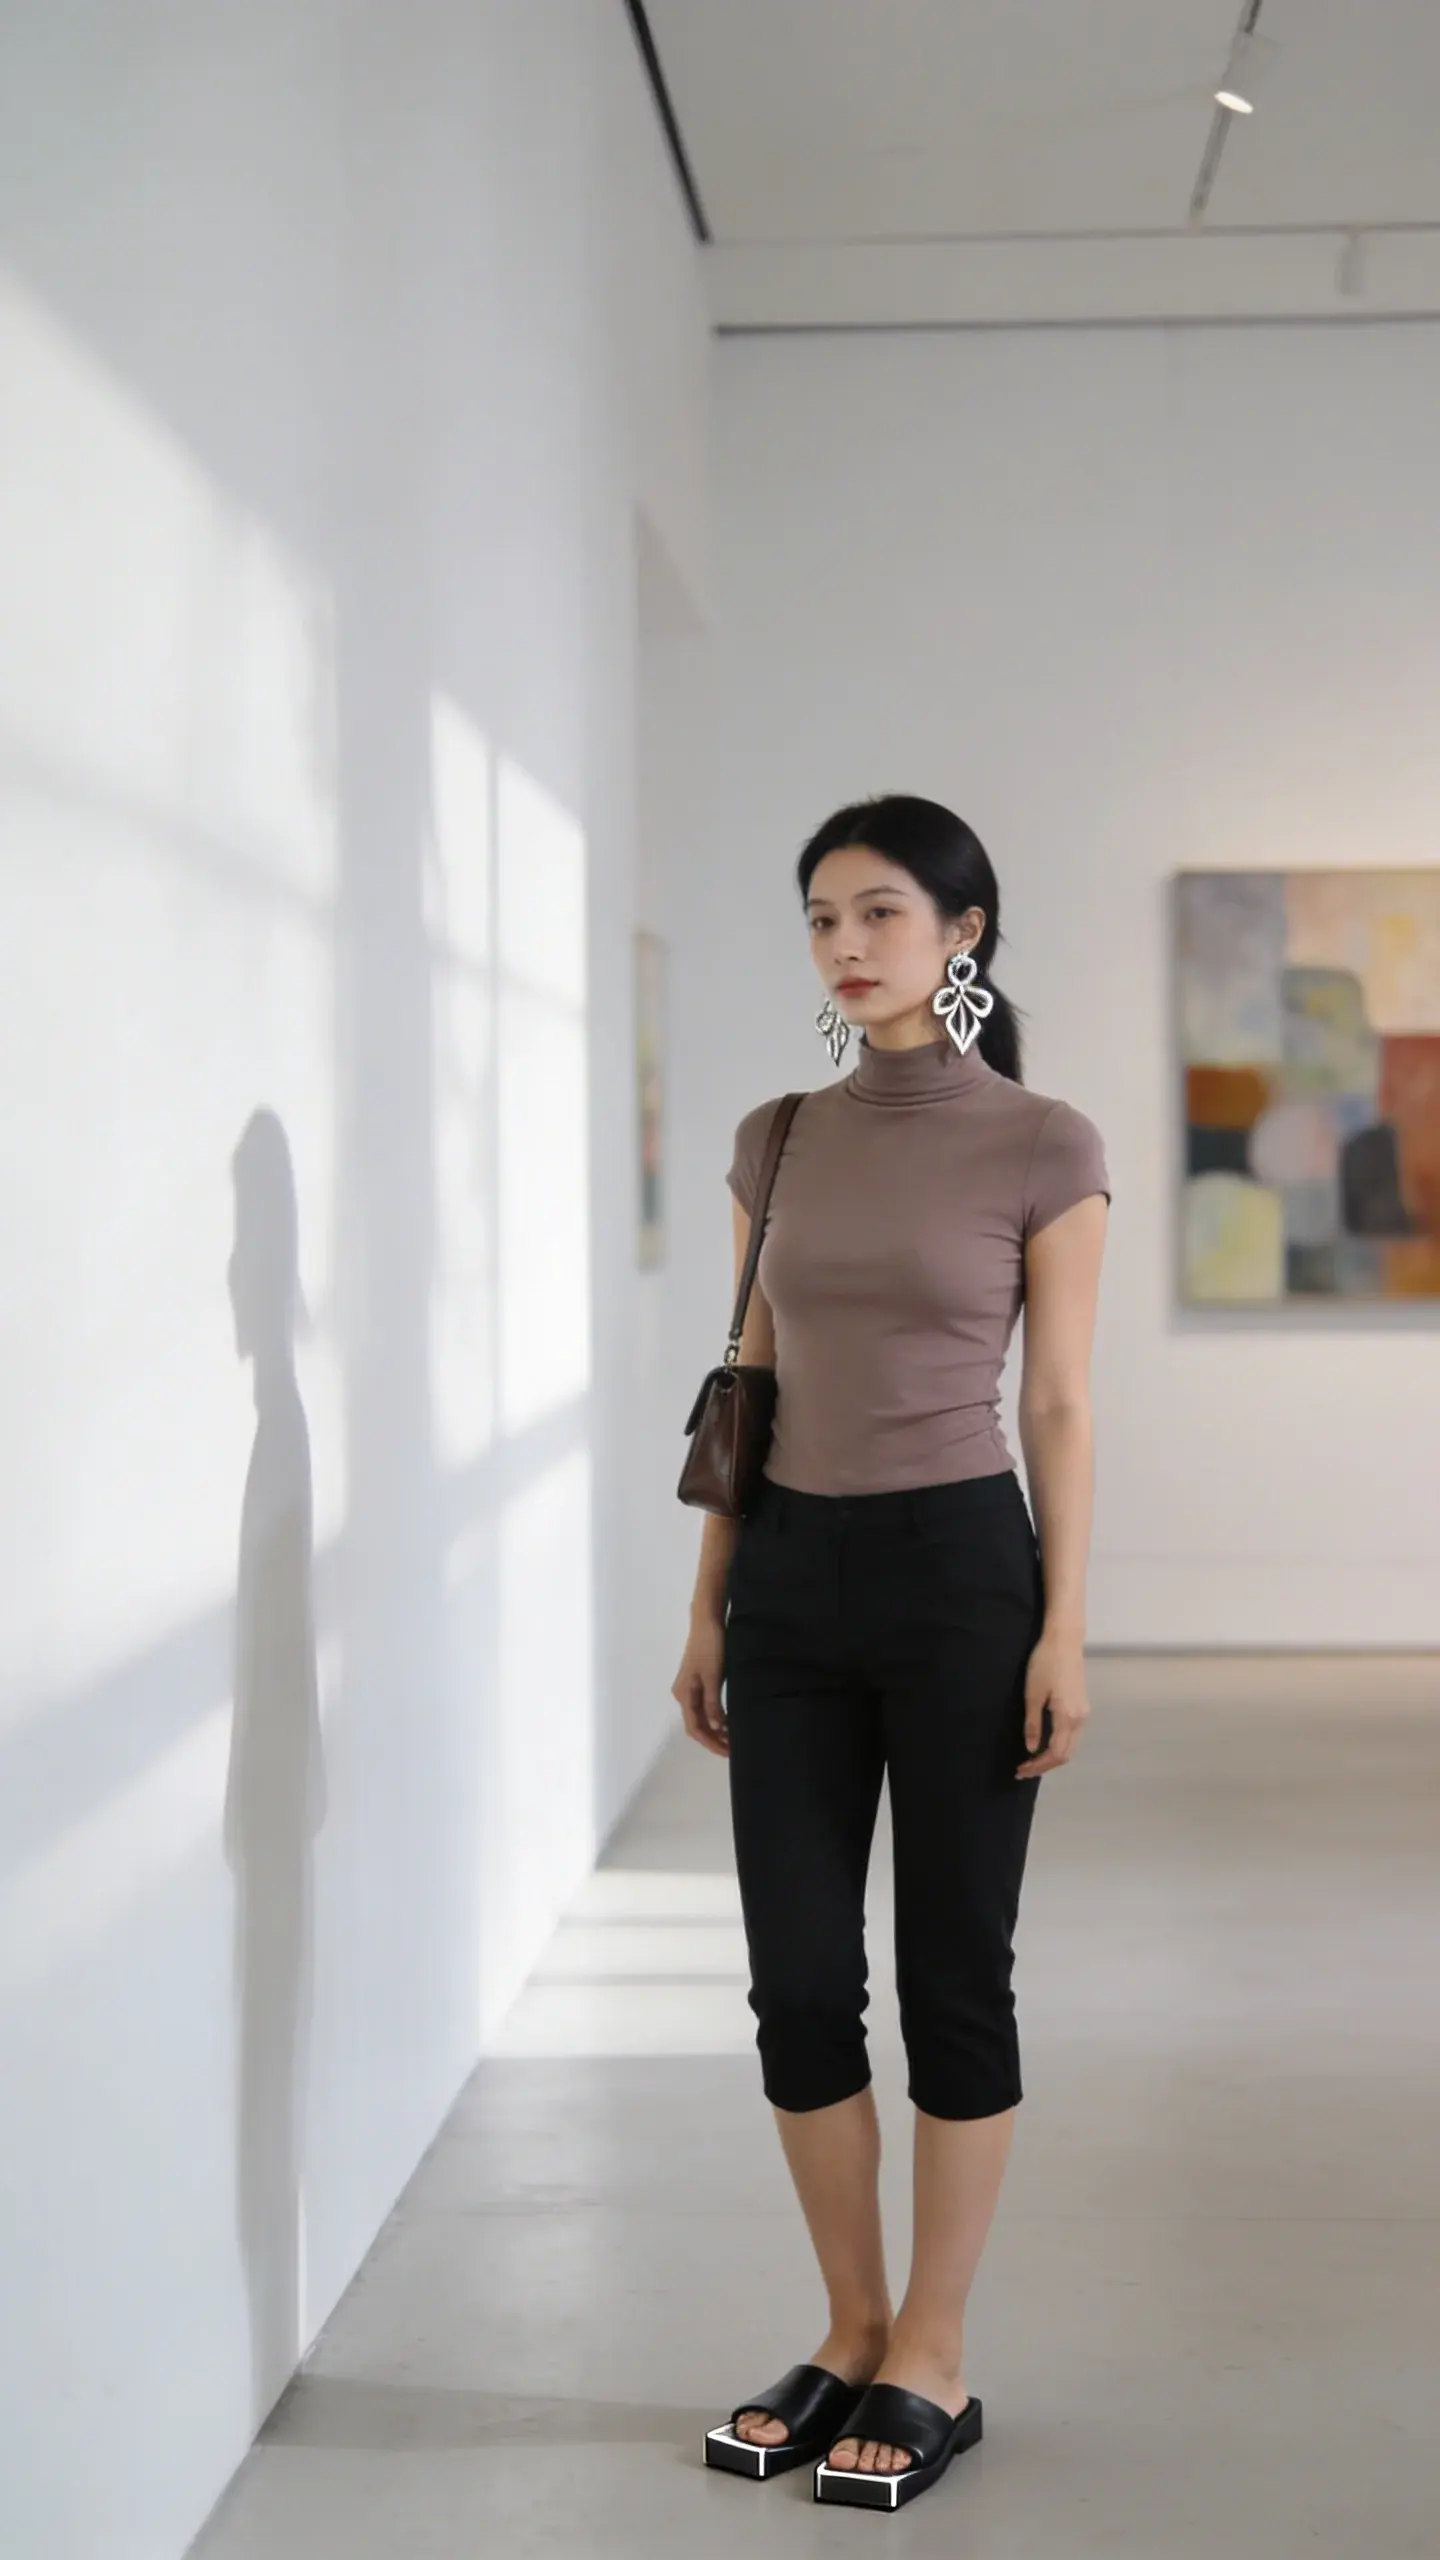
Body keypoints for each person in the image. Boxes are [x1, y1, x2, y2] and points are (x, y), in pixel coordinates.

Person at [674, 795, 1110, 2511]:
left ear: (964, 932)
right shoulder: (775, 1138)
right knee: (796, 1980)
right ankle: (851, 2326)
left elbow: (1062, 1400)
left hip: (956, 1580)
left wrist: (1064, 1624)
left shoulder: (1044, 1144)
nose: (846, 946)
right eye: (819, 919)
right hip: (786, 1579)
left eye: (878, 913)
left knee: (953, 1978)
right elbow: (746, 1379)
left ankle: (935, 2347)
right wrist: (708, 1602)